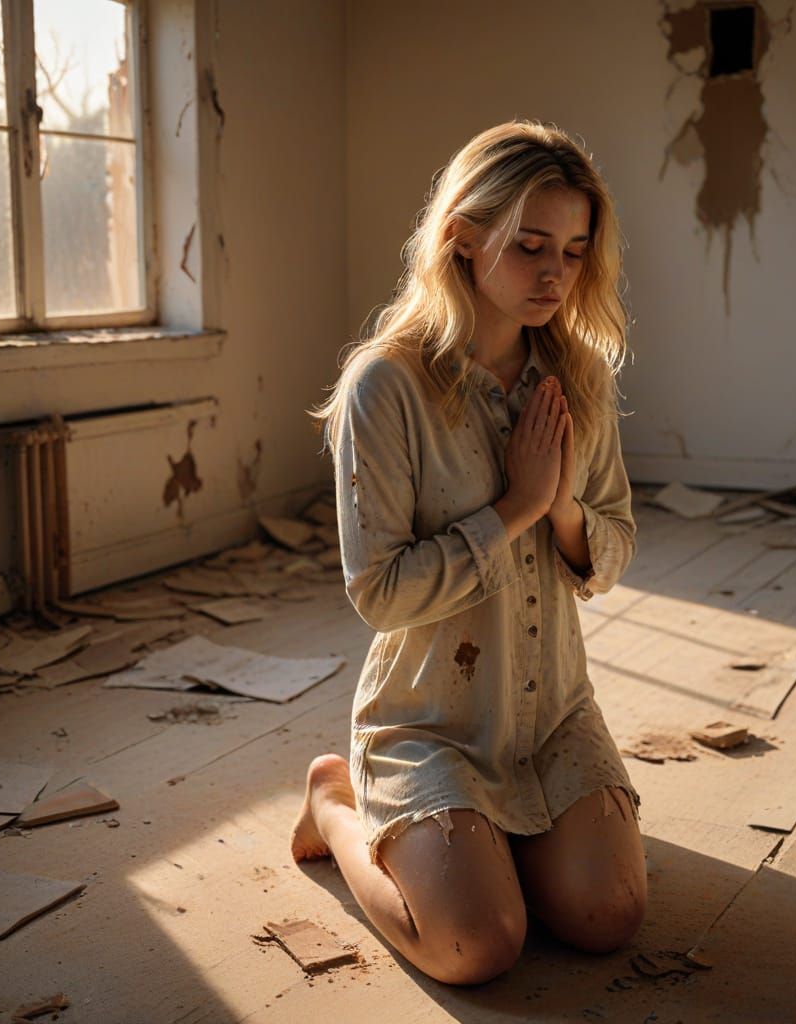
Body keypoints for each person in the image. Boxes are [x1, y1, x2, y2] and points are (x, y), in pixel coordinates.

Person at [292, 120, 645, 986]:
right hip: (430, 723)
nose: (556, 272)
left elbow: (613, 550)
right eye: (529, 247)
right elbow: (377, 593)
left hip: (552, 711)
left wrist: (561, 509)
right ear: (460, 238)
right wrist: (514, 508)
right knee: (476, 947)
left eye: (573, 248)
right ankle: (336, 806)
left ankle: (498, 845)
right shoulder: (388, 384)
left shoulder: (582, 379)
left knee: (608, 918)